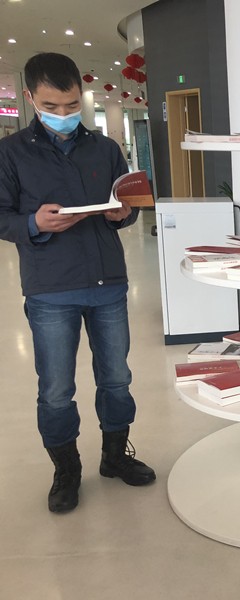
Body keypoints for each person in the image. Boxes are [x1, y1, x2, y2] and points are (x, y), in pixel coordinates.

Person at [0, 52, 155, 514]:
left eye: (71, 105)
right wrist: (34, 223)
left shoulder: (105, 148)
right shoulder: (11, 153)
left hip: (108, 282)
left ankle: (114, 456)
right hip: (50, 288)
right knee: (55, 388)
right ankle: (66, 470)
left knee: (117, 378)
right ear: (30, 97)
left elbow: (128, 206)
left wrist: (124, 213)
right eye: (52, 106)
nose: (64, 115)